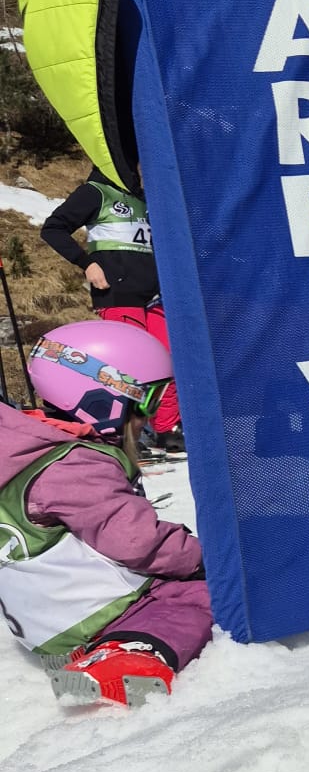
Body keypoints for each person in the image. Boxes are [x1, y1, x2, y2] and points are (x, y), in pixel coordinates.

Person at [0, 320, 211, 707]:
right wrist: (203, 558)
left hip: (48, 621)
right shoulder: (74, 466)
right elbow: (137, 541)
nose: (148, 418)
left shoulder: (26, 449)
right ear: (100, 399)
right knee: (203, 600)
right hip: (100, 610)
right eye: (147, 401)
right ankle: (122, 656)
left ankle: (107, 646)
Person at [39, 167, 183, 455]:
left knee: (167, 361)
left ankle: (166, 429)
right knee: (129, 368)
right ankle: (124, 434)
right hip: (118, 293)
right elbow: (52, 228)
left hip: (155, 295)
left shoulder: (144, 197)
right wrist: (87, 264)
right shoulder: (96, 191)